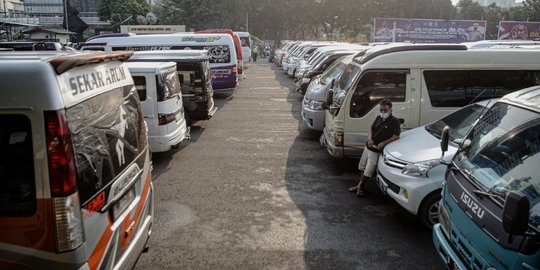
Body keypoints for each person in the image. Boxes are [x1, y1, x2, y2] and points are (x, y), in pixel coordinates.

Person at [348, 99, 401, 197]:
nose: (383, 112)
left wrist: (383, 143)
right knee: (363, 167)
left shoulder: (394, 121)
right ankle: (359, 185)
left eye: (385, 110)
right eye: (381, 110)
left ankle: (360, 186)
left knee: (369, 170)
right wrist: (369, 139)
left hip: (376, 150)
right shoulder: (378, 118)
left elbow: (396, 136)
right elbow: (371, 129)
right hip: (368, 147)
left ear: (391, 110)